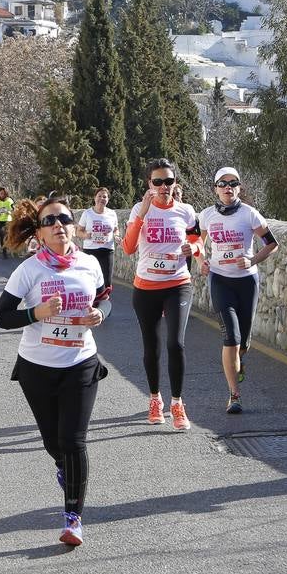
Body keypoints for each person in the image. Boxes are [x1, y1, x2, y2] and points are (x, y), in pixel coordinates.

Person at [0, 195, 110, 546]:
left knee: (74, 442)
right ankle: (65, 468)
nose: (58, 225)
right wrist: (36, 314)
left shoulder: (89, 263)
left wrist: (101, 312)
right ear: (40, 234)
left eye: (64, 218)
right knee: (53, 442)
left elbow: (104, 297)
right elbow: (1, 316)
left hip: (80, 363)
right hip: (37, 368)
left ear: (74, 226)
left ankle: (73, 518)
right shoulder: (29, 269)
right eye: (49, 221)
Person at [122, 159, 202, 430]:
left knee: (175, 344)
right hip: (146, 288)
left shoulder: (186, 211)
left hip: (178, 283)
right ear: (149, 185)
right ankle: (155, 398)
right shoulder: (138, 210)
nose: (164, 187)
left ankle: (177, 403)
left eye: (168, 181)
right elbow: (128, 248)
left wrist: (195, 249)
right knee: (152, 347)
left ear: (175, 184)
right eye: (158, 182)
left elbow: (196, 239)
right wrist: (143, 213)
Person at [198, 167, 278, 414]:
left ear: (239, 188)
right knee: (230, 338)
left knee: (243, 340)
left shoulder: (249, 214)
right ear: (215, 188)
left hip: (246, 282)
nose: (227, 188)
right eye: (222, 184)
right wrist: (201, 261)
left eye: (233, 183)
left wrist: (252, 260)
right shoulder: (207, 215)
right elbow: (198, 242)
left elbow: (272, 244)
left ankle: (241, 356)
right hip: (220, 280)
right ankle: (234, 395)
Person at [77, 187, 118, 293]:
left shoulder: (112, 213)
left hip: (107, 250)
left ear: (108, 199)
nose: (102, 198)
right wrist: (85, 235)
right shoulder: (87, 213)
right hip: (90, 250)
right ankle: (91, 303)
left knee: (107, 281)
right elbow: (78, 231)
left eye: (104, 196)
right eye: (99, 196)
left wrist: (117, 236)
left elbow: (115, 229)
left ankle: (105, 305)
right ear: (94, 198)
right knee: (89, 279)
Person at [0, 188, 15, 258]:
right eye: (1, 193)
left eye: (4, 193)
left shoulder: (9, 200)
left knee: (8, 236)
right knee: (2, 235)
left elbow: (14, 211)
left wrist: (9, 212)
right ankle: (4, 252)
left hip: (8, 220)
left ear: (6, 194)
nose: (2, 195)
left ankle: (10, 249)